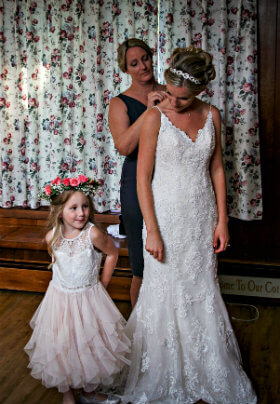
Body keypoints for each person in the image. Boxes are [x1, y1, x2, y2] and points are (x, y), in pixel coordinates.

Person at [122, 47, 257, 403]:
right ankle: (163, 370)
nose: (176, 103)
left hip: (200, 217)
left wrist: (222, 221)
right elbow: (142, 178)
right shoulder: (154, 117)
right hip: (163, 218)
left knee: (201, 290)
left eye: (184, 98)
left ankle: (205, 369)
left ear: (198, 92)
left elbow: (216, 169)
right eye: (172, 94)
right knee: (164, 291)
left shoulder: (212, 115)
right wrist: (151, 229)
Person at [24, 175, 131, 404]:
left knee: (89, 345)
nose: (81, 213)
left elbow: (112, 253)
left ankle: (89, 390)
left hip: (88, 300)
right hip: (60, 301)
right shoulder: (51, 237)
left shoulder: (91, 233)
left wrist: (102, 284)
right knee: (62, 344)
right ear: (59, 210)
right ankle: (67, 392)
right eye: (73, 208)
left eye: (84, 206)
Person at [108, 38, 166, 307]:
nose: (143, 66)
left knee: (170, 255)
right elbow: (125, 146)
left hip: (170, 177)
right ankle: (140, 336)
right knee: (140, 266)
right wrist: (150, 110)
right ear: (126, 69)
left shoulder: (171, 93)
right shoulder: (119, 104)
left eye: (145, 58)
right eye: (135, 63)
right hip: (135, 182)